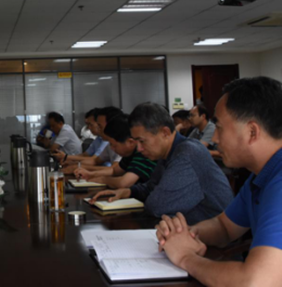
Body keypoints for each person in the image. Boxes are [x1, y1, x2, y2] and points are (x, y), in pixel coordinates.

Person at [155, 77, 282, 286]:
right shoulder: (260, 176)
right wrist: (185, 235)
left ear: (252, 132)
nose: (214, 138)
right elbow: (224, 227)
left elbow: (257, 281)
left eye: (220, 127)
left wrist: (186, 257)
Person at [91, 102, 233, 224]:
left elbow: (157, 206)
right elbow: (151, 187)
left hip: (211, 240)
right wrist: (127, 192)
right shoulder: (166, 152)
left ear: (165, 132)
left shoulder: (187, 153)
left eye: (142, 141)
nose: (139, 149)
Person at [74, 114, 156, 188]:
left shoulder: (142, 153)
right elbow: (114, 171)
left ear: (130, 142)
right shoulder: (129, 154)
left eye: (113, 145)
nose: (112, 148)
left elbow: (124, 183)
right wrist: (91, 174)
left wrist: (103, 180)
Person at [55, 107, 122, 170]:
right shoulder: (108, 143)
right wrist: (74, 164)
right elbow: (95, 161)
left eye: (100, 126)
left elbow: (113, 170)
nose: (98, 129)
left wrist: (76, 165)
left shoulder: (120, 144)